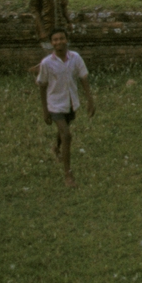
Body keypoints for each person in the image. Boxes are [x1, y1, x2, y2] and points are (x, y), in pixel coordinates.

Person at [37, 28, 95, 187]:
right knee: (67, 135)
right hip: (55, 104)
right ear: (51, 43)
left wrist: (90, 99)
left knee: (64, 130)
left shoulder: (75, 58)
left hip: (71, 103)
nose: (58, 42)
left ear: (66, 39)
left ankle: (56, 147)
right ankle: (68, 175)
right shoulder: (47, 63)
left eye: (61, 38)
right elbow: (42, 85)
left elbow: (83, 77)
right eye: (55, 40)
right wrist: (45, 110)